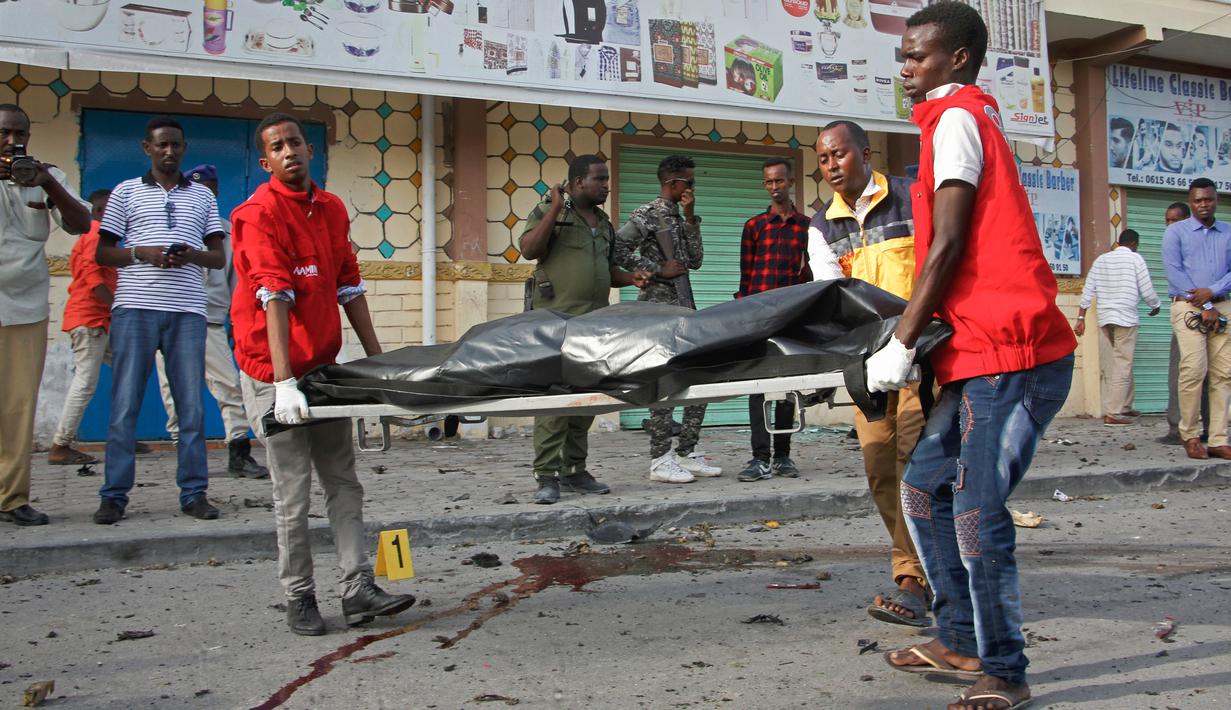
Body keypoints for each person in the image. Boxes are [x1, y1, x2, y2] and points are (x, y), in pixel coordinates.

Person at [873, 5, 1078, 709]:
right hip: (976, 353)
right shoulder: (941, 122)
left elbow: (948, 246)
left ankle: (1005, 670)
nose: (904, 67)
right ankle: (957, 637)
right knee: (921, 489)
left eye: (916, 56)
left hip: (1015, 356)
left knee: (973, 512)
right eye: (902, 57)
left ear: (956, 58)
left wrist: (900, 342)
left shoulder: (959, 119)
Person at [232, 112, 417, 635]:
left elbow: (348, 286)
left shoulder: (331, 209)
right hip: (274, 370)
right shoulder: (256, 214)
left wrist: (380, 364)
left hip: (323, 368)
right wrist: (284, 384)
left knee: (343, 482)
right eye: (277, 146)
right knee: (292, 492)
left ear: (309, 151)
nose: (289, 151)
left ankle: (358, 588)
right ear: (266, 160)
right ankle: (300, 597)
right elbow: (273, 293)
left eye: (295, 142)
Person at [809, 119, 930, 627]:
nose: (831, 166)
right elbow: (828, 293)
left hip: (922, 359)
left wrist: (912, 342)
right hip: (867, 368)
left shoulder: (910, 199)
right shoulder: (822, 226)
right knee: (880, 467)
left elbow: (935, 266)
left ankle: (912, 578)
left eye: (838, 154)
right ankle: (921, 568)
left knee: (916, 462)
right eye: (822, 159)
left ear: (865, 152)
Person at [93, 115, 226, 525]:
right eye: (162, 145)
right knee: (125, 405)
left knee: (191, 407)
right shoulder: (125, 193)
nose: (170, 152)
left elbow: (218, 257)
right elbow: (103, 253)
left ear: (184, 149)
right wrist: (143, 253)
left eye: (176, 145)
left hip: (187, 311)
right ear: (146, 148)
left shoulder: (203, 198)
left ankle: (194, 493)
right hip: (134, 308)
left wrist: (192, 254)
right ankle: (114, 496)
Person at [522, 154, 652, 502]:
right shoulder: (554, 214)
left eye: (607, 179)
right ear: (578, 182)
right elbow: (529, 249)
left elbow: (608, 272)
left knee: (583, 403)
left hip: (595, 325)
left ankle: (574, 471)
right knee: (554, 402)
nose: (606, 186)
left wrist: (631, 278)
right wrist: (553, 208)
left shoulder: (605, 224)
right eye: (600, 180)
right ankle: (546, 475)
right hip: (555, 325)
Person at [0, 104, 91, 526]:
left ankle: (11, 498)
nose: (11, 141)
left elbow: (80, 223)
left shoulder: (46, 175)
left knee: (17, 407)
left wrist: (47, 182)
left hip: (24, 307)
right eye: (3, 133)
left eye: (19, 133)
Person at [155, 164, 267, 478]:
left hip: (210, 322)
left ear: (216, 191)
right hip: (171, 320)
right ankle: (183, 454)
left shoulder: (226, 232)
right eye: (195, 188)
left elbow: (237, 282)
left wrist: (238, 323)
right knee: (172, 389)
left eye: (208, 188)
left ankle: (238, 451)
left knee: (229, 386)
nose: (202, 194)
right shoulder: (170, 228)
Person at [615, 154, 720, 485]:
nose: (694, 187)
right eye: (690, 182)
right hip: (656, 311)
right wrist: (654, 270)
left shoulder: (679, 217)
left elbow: (697, 260)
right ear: (674, 183)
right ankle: (660, 458)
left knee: (700, 378)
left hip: (685, 306)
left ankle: (687, 453)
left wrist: (690, 218)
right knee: (663, 384)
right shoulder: (646, 215)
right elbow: (615, 249)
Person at [48, 190, 153, 464]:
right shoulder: (95, 236)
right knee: (86, 382)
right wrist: (122, 313)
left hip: (98, 320)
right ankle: (61, 444)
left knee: (125, 374)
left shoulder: (100, 237)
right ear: (98, 212)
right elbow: (95, 284)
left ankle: (122, 436)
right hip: (90, 320)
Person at [726, 156, 813, 483]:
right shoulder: (754, 227)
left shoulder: (807, 226)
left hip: (791, 316)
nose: (774, 187)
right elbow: (745, 279)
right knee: (757, 388)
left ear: (791, 182)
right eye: (769, 182)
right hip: (757, 318)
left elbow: (811, 273)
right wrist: (743, 317)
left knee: (789, 387)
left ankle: (784, 455)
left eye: (780, 181)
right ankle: (759, 458)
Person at [1162, 177, 1231, 461]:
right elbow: (1174, 273)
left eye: (1209, 199)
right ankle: (1189, 435)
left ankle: (1217, 439)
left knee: (1224, 374)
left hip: (1223, 306)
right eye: (1198, 200)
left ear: (1217, 200)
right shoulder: (1175, 232)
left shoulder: (1228, 231)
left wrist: (1213, 293)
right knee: (1193, 370)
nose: (1204, 204)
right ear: (1191, 202)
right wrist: (1203, 304)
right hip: (1188, 307)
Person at [1073, 229, 1160, 425]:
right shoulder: (1136, 259)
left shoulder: (1101, 260)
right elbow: (1146, 289)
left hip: (1106, 318)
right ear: (1134, 244)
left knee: (1122, 361)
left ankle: (1126, 407)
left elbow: (1088, 290)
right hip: (1126, 318)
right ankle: (1113, 413)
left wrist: (1081, 317)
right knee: (1122, 363)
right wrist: (1155, 305)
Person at [1160, 201, 1208, 445]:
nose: (1170, 225)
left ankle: (1187, 429)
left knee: (1191, 371)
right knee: (1195, 371)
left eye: (1175, 220)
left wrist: (1206, 306)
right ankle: (1192, 428)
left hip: (1197, 310)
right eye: (1167, 221)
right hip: (1196, 310)